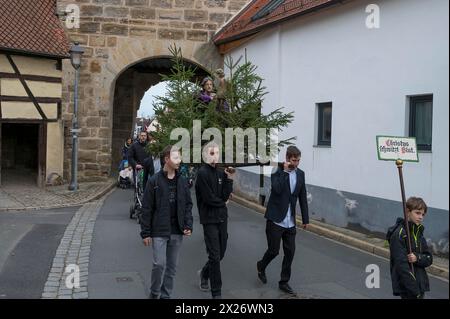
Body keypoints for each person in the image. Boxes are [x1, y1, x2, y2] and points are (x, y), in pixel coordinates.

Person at [140, 145, 193, 299]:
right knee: (159, 264)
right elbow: (147, 208)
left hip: (177, 230)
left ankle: (166, 295)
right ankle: (154, 292)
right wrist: (146, 233)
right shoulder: (154, 181)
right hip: (159, 230)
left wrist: (188, 224)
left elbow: (188, 205)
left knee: (172, 268)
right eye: (176, 157)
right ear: (166, 159)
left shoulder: (182, 181)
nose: (179, 161)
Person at [256, 146, 309, 295]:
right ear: (287, 159)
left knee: (290, 252)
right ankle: (261, 265)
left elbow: (302, 197)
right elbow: (277, 189)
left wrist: (305, 218)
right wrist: (285, 172)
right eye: (294, 160)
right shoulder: (277, 172)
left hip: (290, 221)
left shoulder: (301, 174)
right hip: (275, 219)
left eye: (298, 160)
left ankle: (284, 282)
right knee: (273, 251)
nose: (296, 164)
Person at [195, 142, 234, 299]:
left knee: (221, 253)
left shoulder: (220, 173)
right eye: (212, 153)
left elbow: (225, 194)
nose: (215, 156)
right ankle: (216, 292)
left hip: (222, 218)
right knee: (215, 256)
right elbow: (209, 198)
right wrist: (222, 203)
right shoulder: (202, 174)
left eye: (217, 153)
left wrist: (229, 179)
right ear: (205, 155)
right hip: (209, 219)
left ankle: (204, 272)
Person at [386, 197, 433, 299]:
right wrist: (414, 291)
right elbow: (401, 265)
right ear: (407, 212)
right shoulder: (399, 234)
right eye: (417, 213)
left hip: (420, 286)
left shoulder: (418, 232)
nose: (421, 217)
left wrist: (417, 258)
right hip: (409, 289)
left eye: (423, 214)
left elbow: (429, 258)